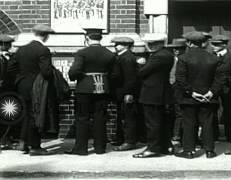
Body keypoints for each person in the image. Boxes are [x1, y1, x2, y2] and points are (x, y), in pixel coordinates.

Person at [175, 31, 225, 159]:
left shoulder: (183, 58)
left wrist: (191, 92)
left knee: (189, 123)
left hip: (189, 98)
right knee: (207, 123)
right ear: (203, 43)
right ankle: (209, 150)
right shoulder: (214, 58)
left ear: (189, 43)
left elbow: (180, 78)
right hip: (208, 97)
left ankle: (189, 150)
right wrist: (211, 92)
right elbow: (220, 79)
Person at [66, 27, 115, 155]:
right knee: (100, 118)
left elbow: (74, 71)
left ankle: (81, 149)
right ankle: (100, 148)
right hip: (103, 88)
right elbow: (114, 74)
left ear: (87, 38)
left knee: (82, 118)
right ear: (101, 38)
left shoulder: (82, 52)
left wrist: (74, 77)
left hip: (84, 88)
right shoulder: (109, 54)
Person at [13, 24, 56, 156]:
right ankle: (35, 147)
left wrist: (20, 80)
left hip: (22, 86)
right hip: (37, 88)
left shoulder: (21, 49)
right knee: (36, 115)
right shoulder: (43, 50)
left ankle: (23, 143)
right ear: (46, 36)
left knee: (25, 115)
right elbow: (46, 72)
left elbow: (11, 68)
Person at [132, 34, 175, 158]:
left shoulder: (158, 57)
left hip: (153, 93)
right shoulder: (166, 54)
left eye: (153, 44)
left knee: (152, 122)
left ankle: (153, 148)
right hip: (161, 92)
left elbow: (142, 73)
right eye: (149, 44)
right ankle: (167, 145)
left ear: (161, 43)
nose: (150, 46)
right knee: (162, 121)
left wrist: (139, 64)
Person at [110, 37, 138, 151]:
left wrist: (129, 93)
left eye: (119, 44)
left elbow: (130, 78)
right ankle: (121, 139)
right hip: (121, 92)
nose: (116, 46)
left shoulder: (127, 58)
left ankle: (129, 141)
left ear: (126, 46)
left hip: (125, 92)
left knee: (128, 118)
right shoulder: (122, 56)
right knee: (122, 116)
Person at [210, 34, 231, 142]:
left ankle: (229, 135)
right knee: (212, 111)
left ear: (225, 44)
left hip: (228, 88)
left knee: (228, 111)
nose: (214, 46)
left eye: (217, 44)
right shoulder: (210, 56)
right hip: (213, 88)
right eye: (213, 44)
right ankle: (213, 135)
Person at [165, 38, 187, 143]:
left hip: (181, 90)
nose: (176, 51)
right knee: (169, 112)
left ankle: (177, 135)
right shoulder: (169, 60)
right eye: (174, 49)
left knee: (180, 113)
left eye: (179, 48)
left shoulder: (186, 60)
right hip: (169, 90)